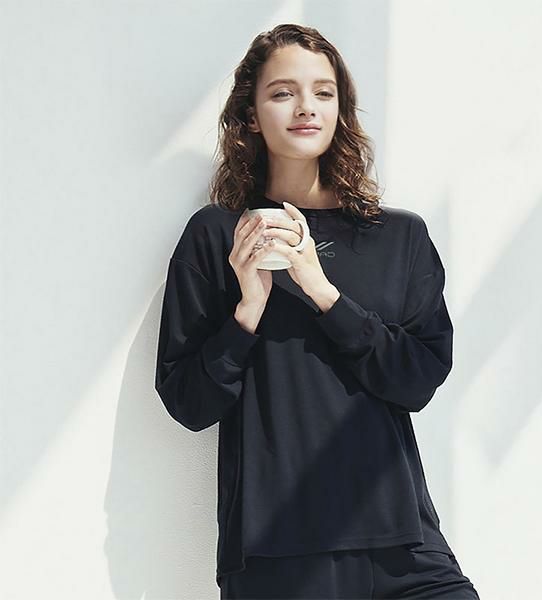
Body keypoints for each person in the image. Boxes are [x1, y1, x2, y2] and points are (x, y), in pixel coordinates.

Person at [154, 23, 480, 600]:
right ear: (251, 116)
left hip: (403, 543)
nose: (306, 106)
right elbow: (188, 403)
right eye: (283, 92)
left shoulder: (398, 237)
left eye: (323, 92)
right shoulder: (219, 235)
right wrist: (248, 309)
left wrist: (321, 291)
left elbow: (417, 381)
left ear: (340, 110)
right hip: (279, 553)